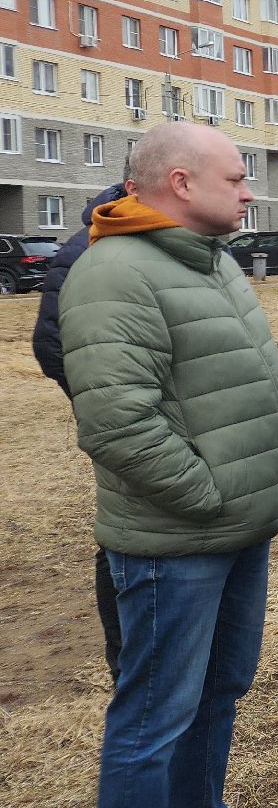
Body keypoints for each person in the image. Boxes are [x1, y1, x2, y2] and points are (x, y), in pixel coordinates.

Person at [61, 121, 278, 808]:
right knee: (152, 720)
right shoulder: (116, 274)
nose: (249, 191)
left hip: (236, 531)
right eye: (236, 178)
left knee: (216, 697)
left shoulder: (210, 261)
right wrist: (210, 498)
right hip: (178, 542)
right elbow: (117, 424)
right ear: (180, 182)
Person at [33, 179, 131, 682]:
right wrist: (107, 403)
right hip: (124, 421)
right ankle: (124, 654)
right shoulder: (90, 246)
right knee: (124, 534)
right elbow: (50, 343)